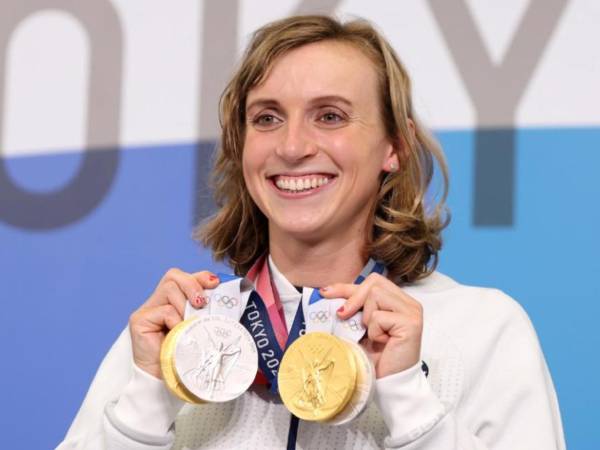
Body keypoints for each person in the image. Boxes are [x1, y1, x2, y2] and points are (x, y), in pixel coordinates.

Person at [57, 15, 565, 449]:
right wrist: (148, 400)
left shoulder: (482, 329)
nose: (293, 145)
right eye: (267, 118)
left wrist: (410, 400)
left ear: (396, 147)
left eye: (330, 116)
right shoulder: (174, 335)